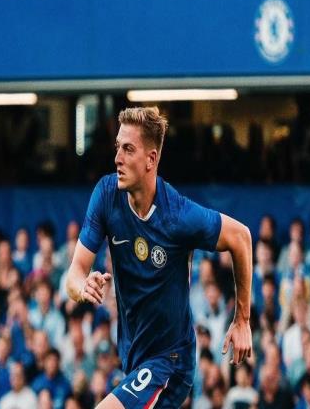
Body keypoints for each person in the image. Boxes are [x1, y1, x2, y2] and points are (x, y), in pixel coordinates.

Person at [66, 107, 253, 408]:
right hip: (134, 360)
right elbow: (74, 273)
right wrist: (82, 287)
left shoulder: (178, 216)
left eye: (128, 149)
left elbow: (241, 237)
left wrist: (242, 319)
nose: (117, 158)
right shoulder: (107, 194)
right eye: (117, 147)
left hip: (170, 362)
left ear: (151, 159)